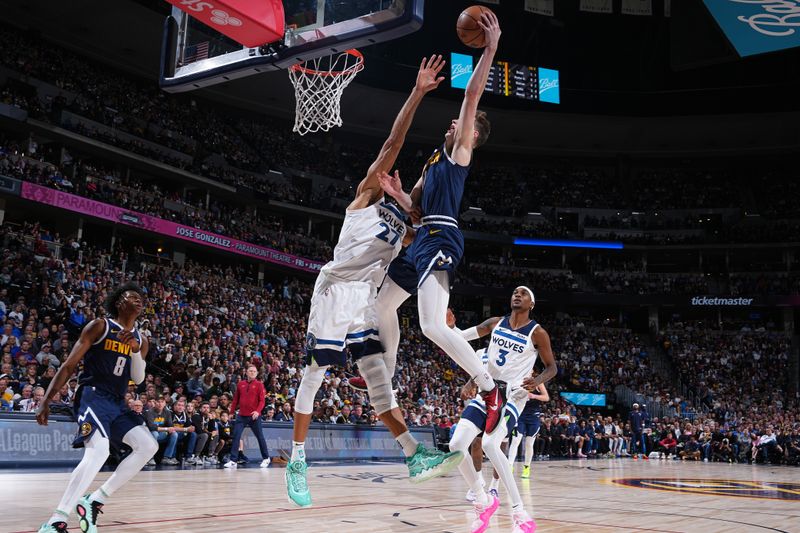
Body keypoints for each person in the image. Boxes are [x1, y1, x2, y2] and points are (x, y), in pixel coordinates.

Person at [286, 54, 463, 508]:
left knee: (379, 379)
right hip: (336, 290)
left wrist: (439, 296)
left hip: (365, 299)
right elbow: (393, 140)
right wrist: (419, 93)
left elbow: (425, 235)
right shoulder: (365, 194)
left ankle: (413, 455)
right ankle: (297, 461)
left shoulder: (406, 223)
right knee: (315, 372)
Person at [376, 11, 506, 435]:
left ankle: (488, 388)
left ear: (470, 136)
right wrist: (398, 196)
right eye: (454, 125)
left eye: (460, 125)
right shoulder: (434, 160)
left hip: (442, 234)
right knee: (382, 305)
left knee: (432, 325)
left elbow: (470, 100)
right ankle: (386, 375)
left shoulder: (460, 154)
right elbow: (413, 209)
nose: (452, 124)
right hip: (422, 235)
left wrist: (490, 49)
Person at [35, 283, 157, 533]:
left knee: (148, 446)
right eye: (131, 296)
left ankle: (95, 500)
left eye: (140, 298)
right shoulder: (100, 326)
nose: (138, 300)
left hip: (116, 401)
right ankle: (56, 521)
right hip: (92, 395)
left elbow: (139, 378)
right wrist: (46, 399)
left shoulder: (141, 340)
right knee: (98, 451)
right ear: (119, 302)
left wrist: (135, 350)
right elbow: (69, 365)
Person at [448, 286, 557, 533]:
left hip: (511, 396)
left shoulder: (537, 333)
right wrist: (451, 328)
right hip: (486, 390)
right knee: (455, 445)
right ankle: (481, 497)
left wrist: (538, 380)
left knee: (489, 444)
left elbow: (552, 368)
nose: (517, 295)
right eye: (515, 292)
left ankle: (519, 512)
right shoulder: (495, 323)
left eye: (523, 293)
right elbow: (460, 338)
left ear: (532, 303)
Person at [225, 365, 270, 468]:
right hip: (241, 415)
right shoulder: (241, 384)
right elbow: (235, 399)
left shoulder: (259, 385)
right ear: (246, 372)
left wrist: (257, 412)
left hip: (254, 416)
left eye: (254, 371)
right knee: (236, 436)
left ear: (257, 373)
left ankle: (266, 458)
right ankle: (233, 460)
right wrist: (231, 412)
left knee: (260, 437)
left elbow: (262, 401)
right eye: (250, 371)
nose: (252, 372)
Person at [507, 377, 549, 479]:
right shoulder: (517, 380)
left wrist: (534, 396)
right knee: (515, 440)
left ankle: (526, 467)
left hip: (533, 417)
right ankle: (509, 465)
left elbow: (546, 397)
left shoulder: (538, 382)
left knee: (529, 444)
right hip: (520, 414)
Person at [144, 396, 179, 465]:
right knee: (155, 433)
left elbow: (170, 425)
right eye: (158, 402)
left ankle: (166, 458)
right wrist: (165, 429)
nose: (160, 404)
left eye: (162, 402)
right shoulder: (149, 412)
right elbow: (151, 427)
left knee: (174, 434)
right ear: (155, 403)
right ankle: (150, 458)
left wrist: (169, 429)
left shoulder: (167, 412)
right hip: (150, 435)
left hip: (162, 434)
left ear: (165, 403)